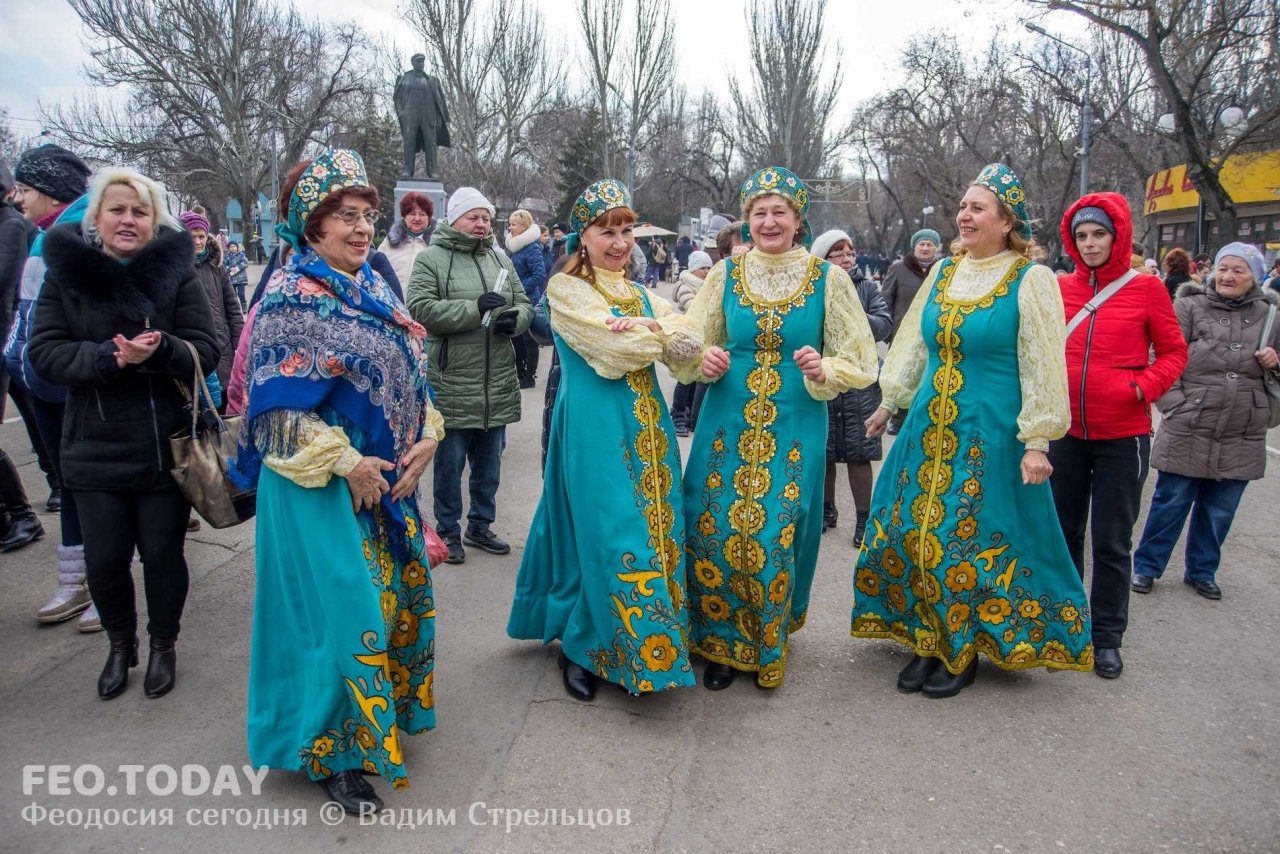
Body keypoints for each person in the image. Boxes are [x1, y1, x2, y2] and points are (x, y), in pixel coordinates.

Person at [229, 149, 442, 815]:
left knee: (382, 609)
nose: (361, 229)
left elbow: (412, 374)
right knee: (333, 620)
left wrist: (429, 434)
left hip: (384, 490)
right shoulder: (290, 299)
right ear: (310, 223)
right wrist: (346, 462)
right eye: (345, 216)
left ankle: (375, 723)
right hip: (317, 490)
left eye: (367, 216)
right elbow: (273, 415)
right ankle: (331, 752)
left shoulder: (373, 288)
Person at [854, 164, 1094, 699]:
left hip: (990, 432)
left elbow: (1042, 364)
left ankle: (959, 648)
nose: (964, 215)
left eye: (978, 207)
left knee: (965, 540)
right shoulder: (942, 273)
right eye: (962, 206)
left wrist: (1037, 441)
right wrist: (888, 400)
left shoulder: (1030, 280)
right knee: (917, 532)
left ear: (1007, 222)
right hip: (929, 428)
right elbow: (915, 342)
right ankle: (928, 636)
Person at [679, 167, 878, 690]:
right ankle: (719, 642)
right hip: (726, 416)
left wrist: (824, 367)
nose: (769, 222)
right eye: (760, 213)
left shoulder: (826, 279)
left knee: (773, 529)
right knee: (715, 525)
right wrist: (706, 358)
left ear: (797, 220)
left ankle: (764, 642)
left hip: (794, 420)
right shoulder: (724, 275)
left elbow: (858, 355)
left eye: (779, 212)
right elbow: (689, 338)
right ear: (747, 221)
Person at [29, 167, 219, 700]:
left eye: (139, 211)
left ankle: (163, 644)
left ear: (153, 219)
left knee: (162, 556)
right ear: (97, 217)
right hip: (93, 445)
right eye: (117, 210)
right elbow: (42, 354)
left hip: (163, 446)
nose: (128, 220)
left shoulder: (175, 271)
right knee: (105, 560)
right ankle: (120, 644)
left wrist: (161, 351)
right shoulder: (65, 272)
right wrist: (107, 356)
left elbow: (206, 349)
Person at [508, 179, 701, 700]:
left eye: (626, 230)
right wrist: (657, 333)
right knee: (607, 530)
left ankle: (646, 636)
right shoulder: (566, 289)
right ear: (582, 236)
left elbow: (691, 345)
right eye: (606, 231)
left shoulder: (639, 292)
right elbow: (613, 353)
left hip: (647, 424)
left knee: (652, 520)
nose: (619, 242)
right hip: (593, 427)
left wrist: (647, 327)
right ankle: (584, 645)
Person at [1049, 194, 1187, 680]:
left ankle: (1106, 637)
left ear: (1118, 237)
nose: (1089, 244)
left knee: (1111, 542)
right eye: (1082, 236)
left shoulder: (1147, 289)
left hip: (1121, 436)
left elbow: (1173, 353)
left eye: (1099, 235)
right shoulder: (1058, 288)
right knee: (1063, 535)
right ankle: (1064, 627)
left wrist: (1140, 387)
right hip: (1063, 433)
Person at [1131, 242, 1279, 601]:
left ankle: (1201, 570)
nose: (1228, 276)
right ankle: (1147, 567)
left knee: (1220, 509)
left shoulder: (1271, 316)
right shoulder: (1188, 306)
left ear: (1254, 276)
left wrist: (1275, 361)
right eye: (1224, 268)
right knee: (1171, 502)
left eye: (1238, 270)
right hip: (1189, 420)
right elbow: (1160, 356)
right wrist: (1176, 405)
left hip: (1242, 428)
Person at [407, 187, 533, 564]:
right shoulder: (432, 258)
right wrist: (473, 308)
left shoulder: (500, 258)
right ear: (455, 218)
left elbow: (524, 302)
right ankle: (448, 529)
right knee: (449, 464)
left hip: (495, 381)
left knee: (489, 466)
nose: (481, 224)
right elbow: (420, 309)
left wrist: (513, 321)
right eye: (473, 217)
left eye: (486, 218)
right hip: (452, 381)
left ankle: (480, 525)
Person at [6, 144, 97, 630]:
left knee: (99, 488)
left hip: (79, 385)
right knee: (68, 484)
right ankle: (75, 578)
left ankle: (103, 583)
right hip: (40, 381)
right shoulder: (41, 240)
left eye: (26, 189)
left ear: (51, 192)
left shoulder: (83, 235)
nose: (19, 199)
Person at [811, 230, 892, 548]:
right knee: (826, 452)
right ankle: (826, 511)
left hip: (860, 379)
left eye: (850, 252)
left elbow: (884, 324)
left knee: (860, 452)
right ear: (824, 259)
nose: (847, 258)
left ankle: (863, 520)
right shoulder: (815, 288)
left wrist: (853, 316)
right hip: (825, 377)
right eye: (838, 253)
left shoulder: (867, 287)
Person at [0, 160, 44, 554]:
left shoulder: (11, 226)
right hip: (15, 345)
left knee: (36, 416)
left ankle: (21, 515)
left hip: (9, 340)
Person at [181, 210, 244, 412]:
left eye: (201, 236)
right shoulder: (176, 269)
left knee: (224, 407)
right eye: (192, 237)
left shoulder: (216, 267)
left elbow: (232, 308)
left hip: (222, 347)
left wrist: (240, 344)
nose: (198, 242)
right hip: (193, 349)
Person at [880, 229, 941, 435]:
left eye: (930, 244)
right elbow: (885, 300)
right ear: (914, 247)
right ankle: (897, 419)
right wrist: (887, 330)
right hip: (901, 335)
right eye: (921, 244)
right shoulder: (899, 268)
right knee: (901, 374)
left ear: (936, 248)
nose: (925, 248)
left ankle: (921, 418)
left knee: (926, 377)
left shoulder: (943, 271)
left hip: (931, 335)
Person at [669, 250, 713, 436]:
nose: (706, 271)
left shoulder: (707, 286)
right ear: (694, 268)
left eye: (709, 268)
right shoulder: (684, 285)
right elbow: (693, 307)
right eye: (703, 267)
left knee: (696, 378)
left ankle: (687, 413)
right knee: (685, 378)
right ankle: (677, 414)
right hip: (689, 339)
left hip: (703, 338)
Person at [505, 209, 548, 389]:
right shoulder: (515, 247)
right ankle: (520, 372)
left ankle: (529, 376)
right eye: (510, 223)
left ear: (524, 227)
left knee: (528, 339)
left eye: (513, 224)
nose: (510, 227)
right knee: (516, 337)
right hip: (515, 298)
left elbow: (539, 275)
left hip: (528, 298)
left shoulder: (532, 248)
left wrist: (519, 288)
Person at [378, 191, 434, 287]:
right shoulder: (388, 244)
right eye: (412, 214)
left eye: (422, 214)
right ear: (404, 216)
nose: (417, 218)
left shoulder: (437, 245)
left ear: (429, 217)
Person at [224, 241, 249, 308]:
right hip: (231, 279)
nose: (232, 248)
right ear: (228, 248)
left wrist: (238, 267)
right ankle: (235, 308)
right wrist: (229, 268)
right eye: (231, 247)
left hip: (241, 279)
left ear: (237, 247)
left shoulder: (241, 255)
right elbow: (223, 265)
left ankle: (244, 306)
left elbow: (245, 263)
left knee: (241, 294)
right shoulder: (227, 256)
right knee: (233, 295)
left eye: (234, 246)